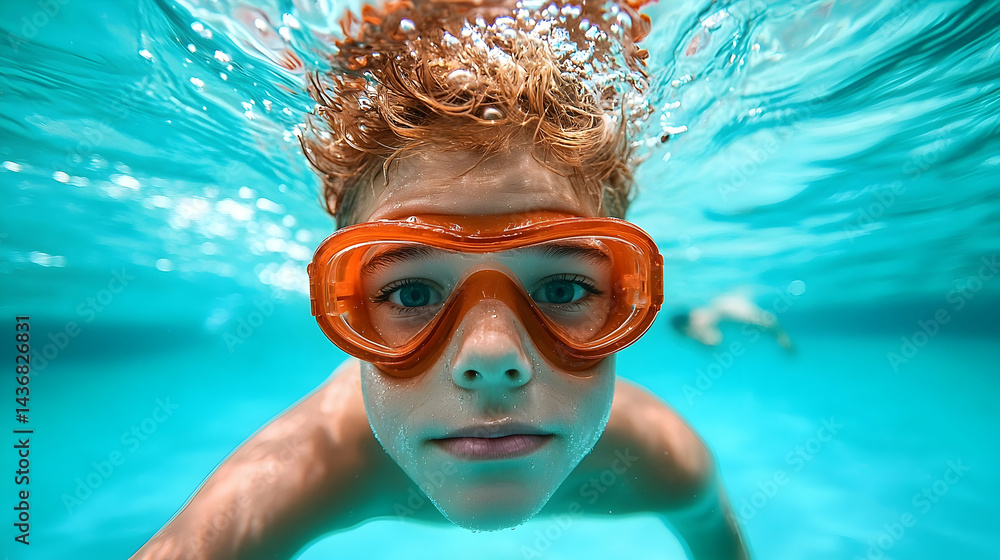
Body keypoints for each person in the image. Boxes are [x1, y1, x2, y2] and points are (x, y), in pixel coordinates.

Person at [132, 1, 751, 558]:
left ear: (624, 298)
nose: (490, 358)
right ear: (344, 307)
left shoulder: (664, 462)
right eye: (411, 293)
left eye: (562, 289)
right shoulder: (310, 466)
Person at [670, 289, 795, 352]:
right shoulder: (716, 314)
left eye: (689, 332)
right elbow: (714, 341)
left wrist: (782, 337)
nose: (694, 335)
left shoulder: (726, 307)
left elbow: (769, 320)